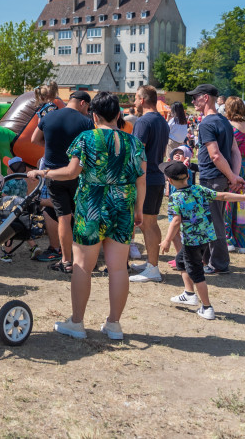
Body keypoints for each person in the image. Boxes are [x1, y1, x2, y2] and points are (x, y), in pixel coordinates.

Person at [28, 91, 146, 341]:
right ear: (118, 114)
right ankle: (114, 324)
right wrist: (138, 209)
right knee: (118, 269)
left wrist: (44, 173)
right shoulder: (133, 142)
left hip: (92, 205)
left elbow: (71, 172)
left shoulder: (86, 139)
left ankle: (77, 322)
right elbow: (141, 179)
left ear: (94, 115)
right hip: (122, 205)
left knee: (82, 266)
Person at [159, 160, 245, 320]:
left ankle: (207, 307)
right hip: (206, 238)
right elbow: (223, 196)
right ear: (188, 175)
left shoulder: (175, 197)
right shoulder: (198, 189)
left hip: (192, 242)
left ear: (169, 180)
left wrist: (167, 240)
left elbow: (176, 221)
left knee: (197, 274)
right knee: (180, 260)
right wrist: (243, 197)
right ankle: (189, 293)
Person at [30, 90, 94, 275]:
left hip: (53, 174)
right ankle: (84, 258)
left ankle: (66, 261)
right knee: (81, 216)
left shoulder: (49, 116)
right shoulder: (86, 122)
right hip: (77, 175)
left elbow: (35, 139)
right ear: (83, 103)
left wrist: (50, 145)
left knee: (63, 218)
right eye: (88, 107)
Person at [188, 84, 243, 274]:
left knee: (214, 221)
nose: (192, 101)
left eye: (195, 97)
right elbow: (236, 152)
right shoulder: (224, 121)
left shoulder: (207, 123)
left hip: (212, 178)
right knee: (210, 219)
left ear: (205, 98)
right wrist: (233, 176)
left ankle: (219, 263)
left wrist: (232, 177)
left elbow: (216, 155)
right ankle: (208, 259)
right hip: (219, 177)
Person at [130, 85, 169, 283]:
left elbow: (137, 153)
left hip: (146, 179)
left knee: (147, 224)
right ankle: (151, 264)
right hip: (157, 177)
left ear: (143, 99)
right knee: (151, 223)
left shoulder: (144, 121)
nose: (134, 102)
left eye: (136, 99)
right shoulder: (162, 120)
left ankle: (153, 268)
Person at [223, 97, 245, 254]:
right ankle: (241, 243)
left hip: (233, 166)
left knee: (229, 203)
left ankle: (228, 238)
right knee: (243, 205)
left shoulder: (228, 126)